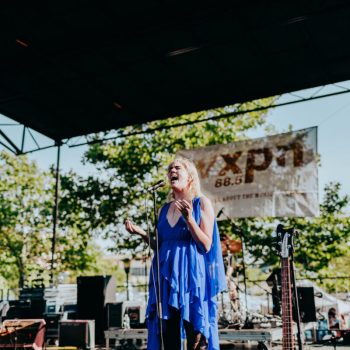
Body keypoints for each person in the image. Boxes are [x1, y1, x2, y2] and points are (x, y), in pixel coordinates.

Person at [125, 157, 227, 350]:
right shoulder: (163, 210)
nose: (172, 170)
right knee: (168, 333)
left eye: (177, 168)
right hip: (166, 278)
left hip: (191, 279)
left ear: (190, 176)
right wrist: (140, 232)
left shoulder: (201, 203)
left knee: (195, 336)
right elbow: (159, 245)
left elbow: (206, 244)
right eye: (170, 168)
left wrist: (189, 220)